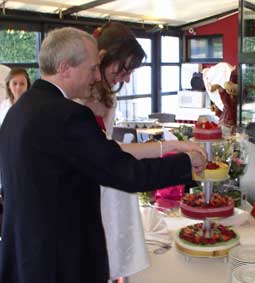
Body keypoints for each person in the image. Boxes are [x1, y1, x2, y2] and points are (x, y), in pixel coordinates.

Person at [0, 27, 206, 283]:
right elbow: (127, 173)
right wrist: (187, 162)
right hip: (61, 259)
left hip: (26, 253)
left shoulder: (20, 110)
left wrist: (173, 148)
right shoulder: (67, 115)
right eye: (92, 68)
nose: (96, 76)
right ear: (65, 68)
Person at [79, 22, 207, 281]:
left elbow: (111, 150)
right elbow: (106, 153)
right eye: (124, 69)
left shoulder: (107, 96)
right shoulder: (75, 99)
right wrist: (172, 148)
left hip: (113, 184)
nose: (126, 78)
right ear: (103, 57)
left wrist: (173, 146)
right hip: (90, 188)